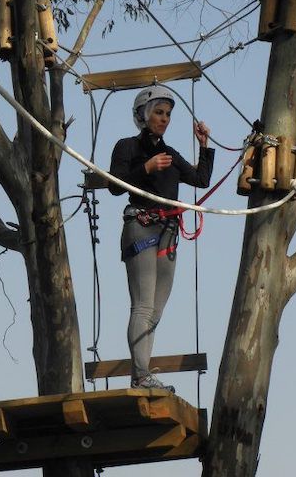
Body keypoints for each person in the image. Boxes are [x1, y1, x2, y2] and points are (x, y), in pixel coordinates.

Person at [108, 85, 215, 392]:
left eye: (168, 114)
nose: (164, 118)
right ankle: (141, 375)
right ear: (143, 115)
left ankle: (141, 373)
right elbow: (115, 186)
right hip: (141, 226)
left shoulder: (169, 154)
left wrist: (204, 146)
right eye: (158, 112)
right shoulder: (127, 147)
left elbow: (200, 179)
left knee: (156, 309)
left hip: (167, 232)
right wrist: (146, 167)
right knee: (142, 306)